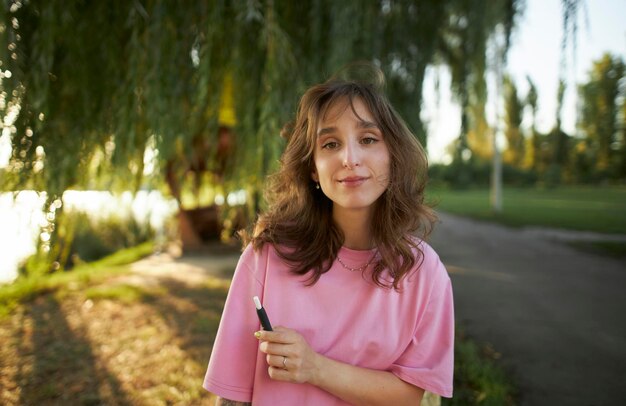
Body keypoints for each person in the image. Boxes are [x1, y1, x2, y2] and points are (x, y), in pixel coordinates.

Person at [203, 64, 454, 405]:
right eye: (331, 144)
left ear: (392, 156)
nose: (349, 158)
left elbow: (410, 395)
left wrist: (315, 367)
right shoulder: (266, 259)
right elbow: (230, 396)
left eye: (368, 139)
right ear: (313, 169)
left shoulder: (424, 272)